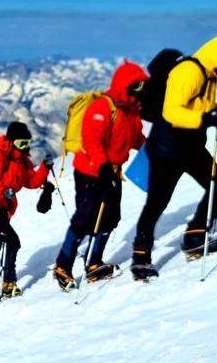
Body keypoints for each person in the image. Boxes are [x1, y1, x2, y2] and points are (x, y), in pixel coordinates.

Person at [129, 35, 217, 279]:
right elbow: (172, 111)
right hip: (167, 150)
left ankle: (195, 236)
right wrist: (205, 119)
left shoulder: (209, 75)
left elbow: (204, 107)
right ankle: (140, 256)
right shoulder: (188, 71)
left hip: (191, 148)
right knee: (157, 203)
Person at [54, 61, 150, 290]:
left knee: (110, 218)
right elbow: (92, 139)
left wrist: (153, 149)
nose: (140, 90)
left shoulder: (131, 111)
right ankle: (62, 265)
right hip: (91, 172)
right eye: (136, 85)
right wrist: (102, 166)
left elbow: (135, 138)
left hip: (112, 172)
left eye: (142, 85)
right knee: (85, 219)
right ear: (124, 85)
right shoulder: (103, 107)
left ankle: (94, 262)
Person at [0, 122, 52, 299]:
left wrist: (44, 168)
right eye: (20, 143)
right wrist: (2, 191)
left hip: (5, 209)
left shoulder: (22, 160)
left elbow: (31, 182)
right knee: (12, 241)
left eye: (26, 143)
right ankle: (8, 282)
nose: (24, 147)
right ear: (11, 141)